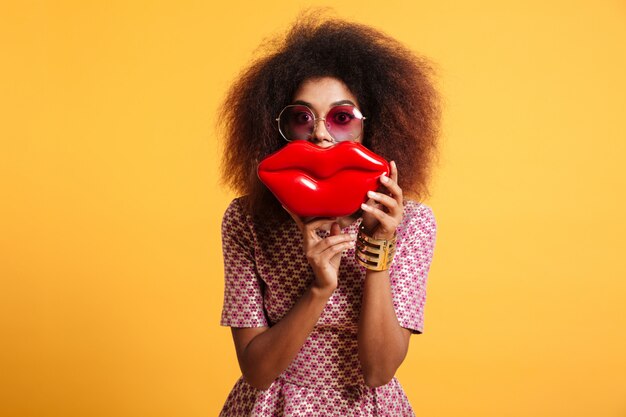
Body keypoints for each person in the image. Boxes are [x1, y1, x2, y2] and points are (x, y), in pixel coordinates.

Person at [217, 10, 440, 417]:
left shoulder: (412, 222)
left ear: (372, 128)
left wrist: (378, 251)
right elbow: (256, 371)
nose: (320, 133)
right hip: (272, 406)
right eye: (302, 118)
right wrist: (319, 288)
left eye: (341, 118)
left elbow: (378, 371)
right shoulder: (246, 219)